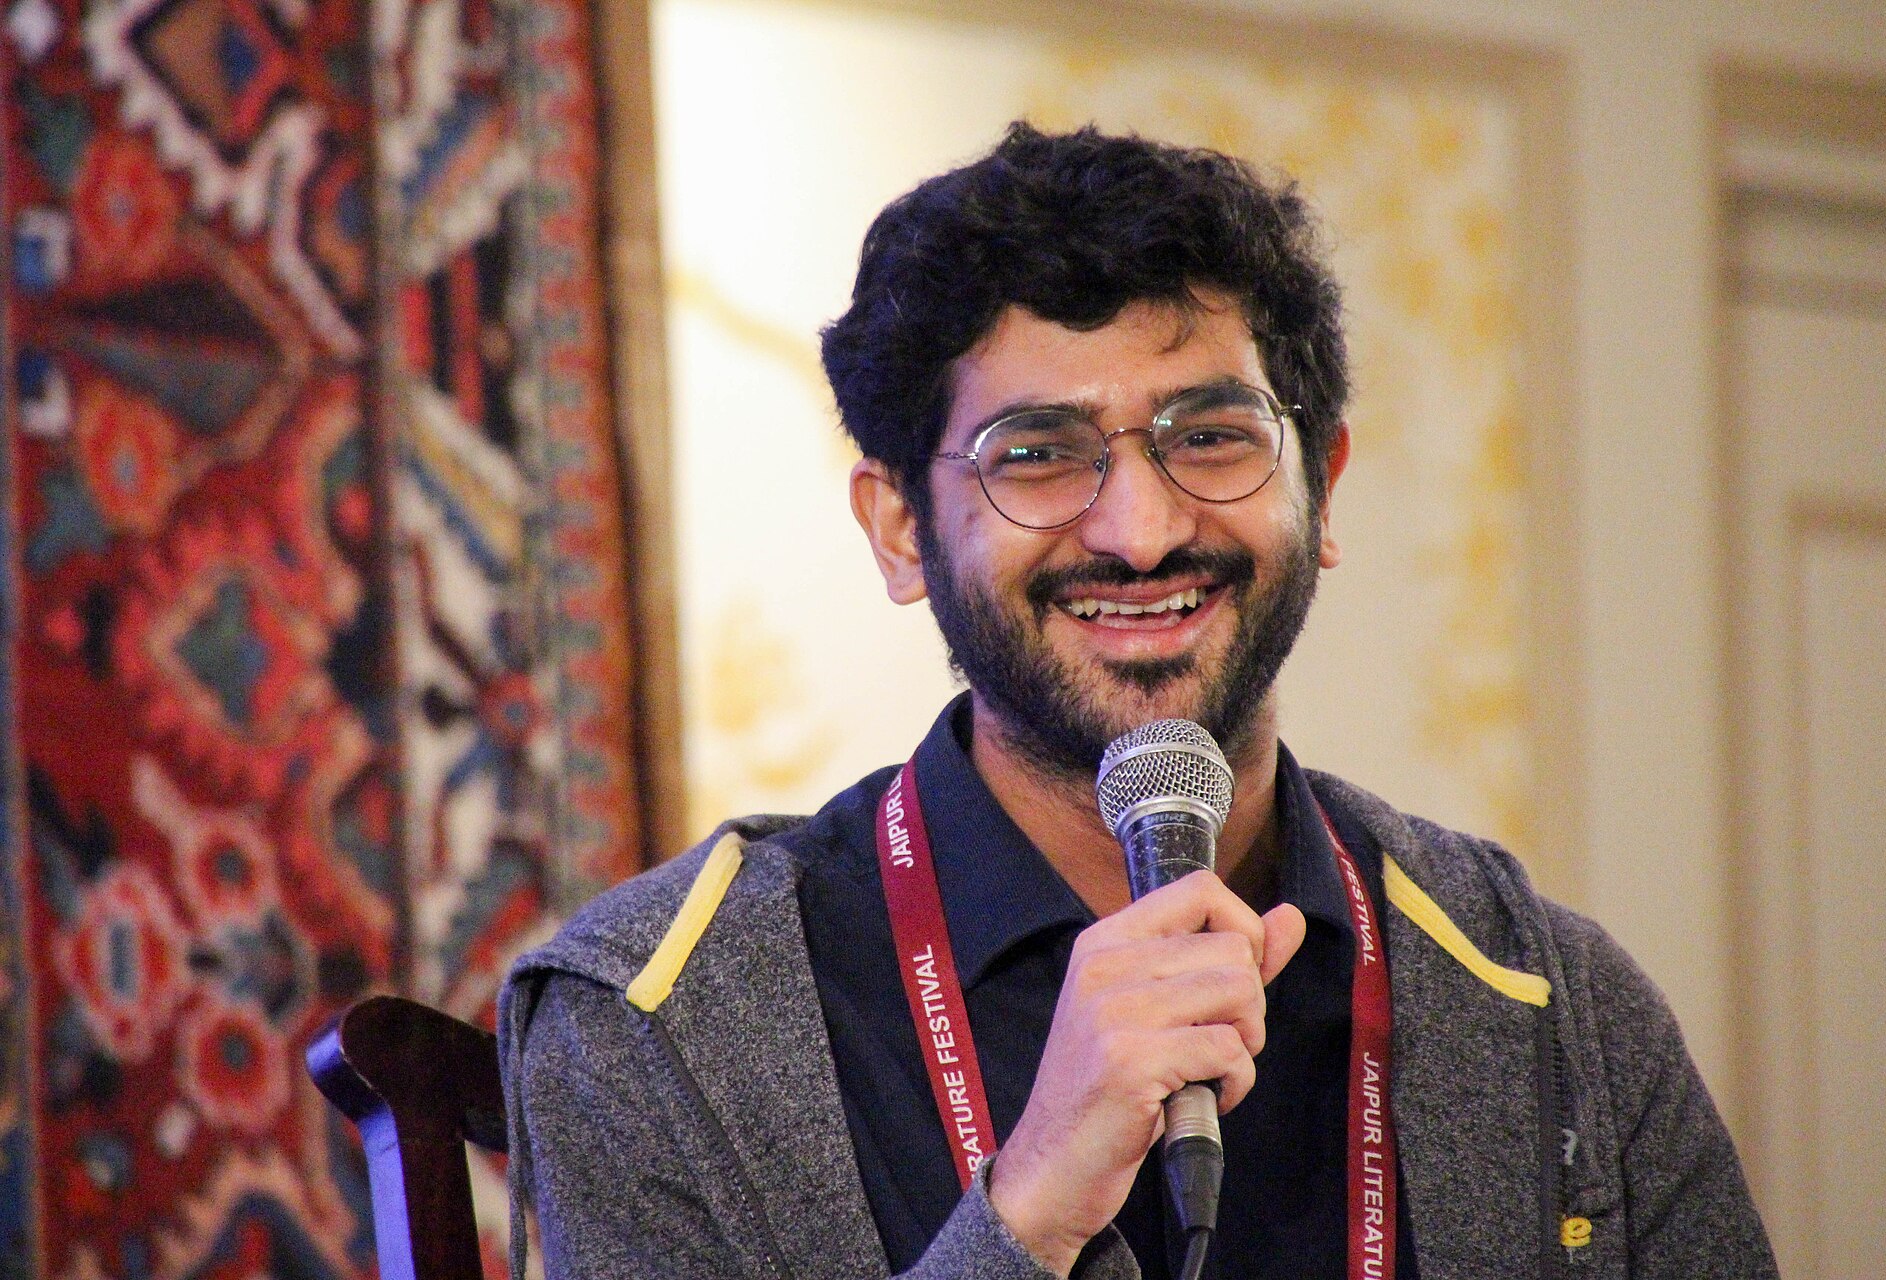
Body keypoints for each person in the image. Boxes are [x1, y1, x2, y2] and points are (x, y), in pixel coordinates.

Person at [498, 123, 1776, 1280]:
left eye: (1210, 436)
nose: (1144, 530)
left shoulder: (1553, 1004)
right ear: (899, 529)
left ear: (1323, 488)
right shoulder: (657, 1023)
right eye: (1038, 455)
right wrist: (1031, 1207)